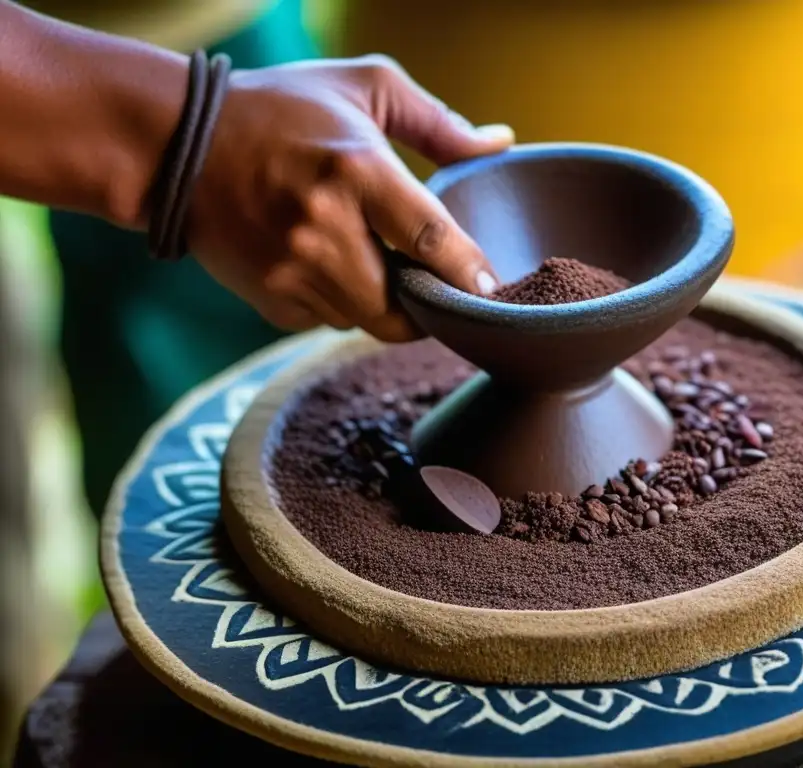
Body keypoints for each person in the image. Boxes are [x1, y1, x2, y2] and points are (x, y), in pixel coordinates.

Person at [0, 0, 513, 516]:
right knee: (164, 485)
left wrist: (214, 122)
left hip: (239, 29)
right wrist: (189, 138)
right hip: (47, 69)